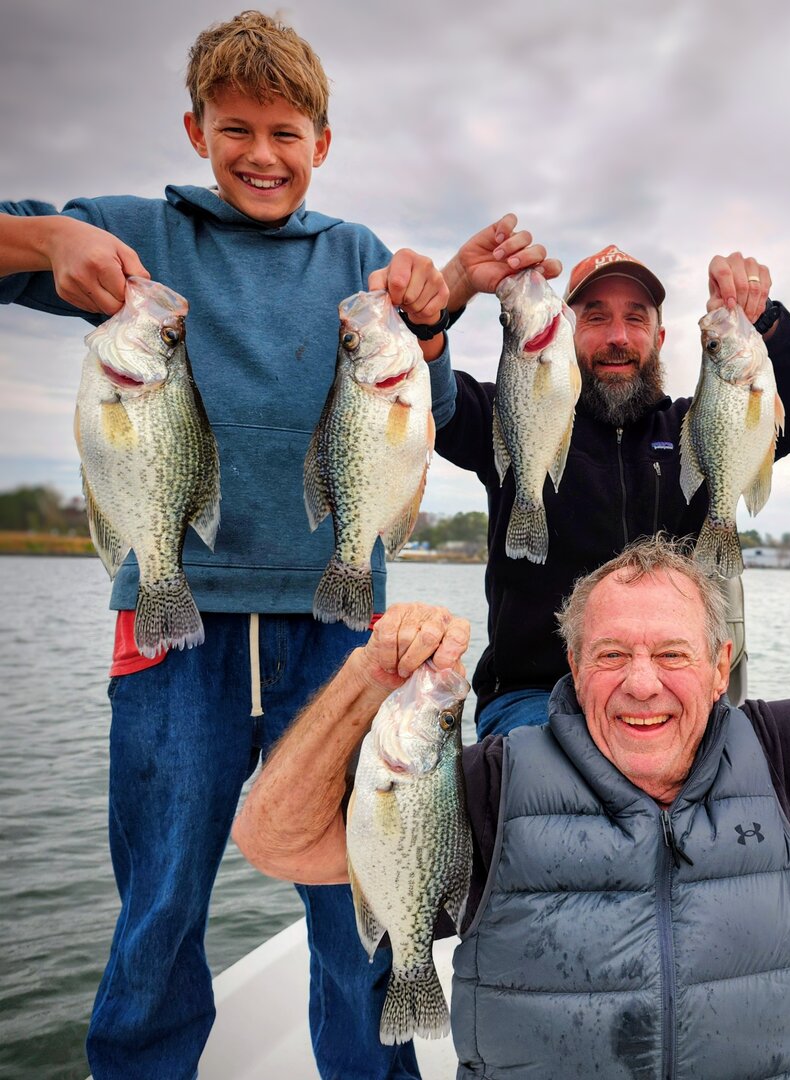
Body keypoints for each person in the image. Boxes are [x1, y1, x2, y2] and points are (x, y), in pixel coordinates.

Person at [0, 12, 538, 1078]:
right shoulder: (130, 231)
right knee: (159, 904)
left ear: (322, 143)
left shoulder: (358, 261)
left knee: (355, 904)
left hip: (339, 632)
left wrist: (437, 318)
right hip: (172, 632)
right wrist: (52, 237)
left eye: (286, 132)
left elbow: (416, 408)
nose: (260, 153)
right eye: (235, 128)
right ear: (195, 129)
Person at [232, 535, 790, 1079]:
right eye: (611, 655)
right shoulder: (490, 784)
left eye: (672, 654)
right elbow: (276, 844)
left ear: (718, 666)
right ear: (571, 664)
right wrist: (368, 675)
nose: (642, 684)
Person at [425, 227, 790, 736]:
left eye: (635, 318)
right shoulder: (512, 408)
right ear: (565, 330)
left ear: (659, 338)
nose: (617, 337)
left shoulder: (700, 427)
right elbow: (425, 397)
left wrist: (766, 322)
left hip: (669, 692)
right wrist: (451, 289)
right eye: (596, 317)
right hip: (534, 695)